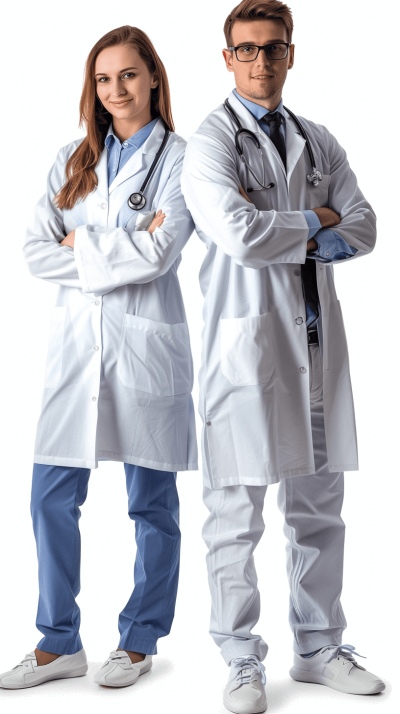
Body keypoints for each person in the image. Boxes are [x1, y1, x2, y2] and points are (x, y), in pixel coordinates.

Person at [181, 1, 384, 711]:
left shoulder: (318, 139)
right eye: (246, 49)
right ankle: (240, 659)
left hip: (314, 347)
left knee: (320, 509)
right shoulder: (207, 143)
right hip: (245, 354)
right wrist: (316, 221)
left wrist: (301, 226)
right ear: (227, 59)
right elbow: (235, 234)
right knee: (235, 516)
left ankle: (319, 647)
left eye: (273, 48)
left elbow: (364, 227)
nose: (260, 61)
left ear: (291, 55)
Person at [0, 25, 197, 691]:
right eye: (104, 79)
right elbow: (32, 250)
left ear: (154, 80)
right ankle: (59, 643)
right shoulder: (70, 158)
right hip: (75, 355)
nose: (116, 90)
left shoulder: (183, 160)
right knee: (49, 499)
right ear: (94, 88)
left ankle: (139, 639)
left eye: (129, 76)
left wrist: (79, 242)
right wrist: (118, 244)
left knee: (152, 505)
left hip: (145, 353)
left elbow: (164, 253)